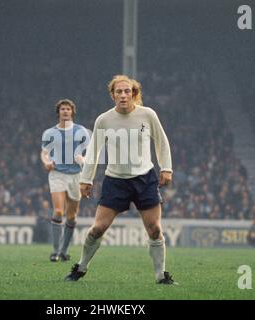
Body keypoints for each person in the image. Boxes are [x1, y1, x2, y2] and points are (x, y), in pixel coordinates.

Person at [64, 75, 176, 284]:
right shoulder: (104, 120)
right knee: (98, 228)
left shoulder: (148, 114)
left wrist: (166, 168)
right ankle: (81, 267)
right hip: (115, 181)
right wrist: (86, 179)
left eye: (127, 91)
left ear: (134, 94)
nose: (123, 95)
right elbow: (94, 151)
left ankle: (161, 275)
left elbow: (161, 141)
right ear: (113, 95)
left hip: (145, 179)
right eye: (119, 92)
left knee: (154, 229)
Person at [41, 99, 90, 262]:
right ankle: (55, 251)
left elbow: (89, 153)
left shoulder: (81, 131)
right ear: (58, 112)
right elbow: (44, 152)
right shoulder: (49, 133)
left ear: (72, 112)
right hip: (58, 174)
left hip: (76, 176)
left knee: (72, 216)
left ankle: (63, 251)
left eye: (68, 109)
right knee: (58, 212)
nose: (65, 111)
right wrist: (46, 162)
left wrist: (82, 159)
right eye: (62, 109)